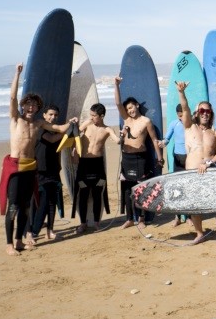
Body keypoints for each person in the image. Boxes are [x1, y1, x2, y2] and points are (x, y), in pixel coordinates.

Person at [2, 64, 75, 256]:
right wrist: (17, 74)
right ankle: (9, 244)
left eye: (34, 105)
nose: (31, 107)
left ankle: (19, 241)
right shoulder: (15, 119)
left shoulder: (38, 123)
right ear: (23, 105)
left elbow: (59, 129)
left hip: (30, 168)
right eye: (28, 104)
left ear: (37, 108)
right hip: (15, 167)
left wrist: (72, 123)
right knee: (13, 206)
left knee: (26, 207)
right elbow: (11, 97)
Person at [175, 81, 216, 245]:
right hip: (192, 172)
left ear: (211, 114)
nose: (205, 113)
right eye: (202, 110)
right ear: (197, 113)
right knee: (195, 205)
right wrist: (181, 92)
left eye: (208, 111)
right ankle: (199, 233)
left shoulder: (215, 133)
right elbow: (185, 108)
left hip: (210, 172)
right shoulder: (189, 127)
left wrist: (207, 162)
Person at [113, 76, 164, 229]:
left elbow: (154, 139)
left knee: (140, 188)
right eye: (128, 109)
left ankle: (141, 218)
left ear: (136, 105)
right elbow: (117, 103)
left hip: (140, 158)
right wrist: (116, 85)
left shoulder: (146, 121)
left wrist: (160, 157)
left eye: (132, 107)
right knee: (128, 190)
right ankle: (129, 218)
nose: (130, 110)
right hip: (127, 157)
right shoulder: (126, 120)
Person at [24, 103, 64, 244]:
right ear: (44, 115)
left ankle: (50, 231)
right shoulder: (39, 127)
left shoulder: (56, 130)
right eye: (50, 114)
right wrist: (68, 129)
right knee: (38, 202)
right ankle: (32, 232)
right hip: (40, 170)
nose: (53, 117)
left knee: (53, 201)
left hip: (53, 169)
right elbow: (52, 139)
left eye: (55, 115)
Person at [72, 103, 114, 234]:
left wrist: (122, 137)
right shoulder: (87, 124)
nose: (91, 118)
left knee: (97, 194)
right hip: (84, 164)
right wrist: (74, 150)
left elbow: (117, 140)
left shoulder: (107, 129)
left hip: (98, 165)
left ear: (101, 116)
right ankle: (83, 223)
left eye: (94, 116)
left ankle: (96, 222)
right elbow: (75, 133)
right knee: (83, 194)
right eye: (90, 115)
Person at [163, 103, 187, 227]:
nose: (182, 117)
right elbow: (167, 138)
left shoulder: (191, 123)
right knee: (177, 187)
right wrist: (163, 143)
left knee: (189, 187)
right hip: (178, 157)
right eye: (180, 114)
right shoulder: (174, 124)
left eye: (184, 114)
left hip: (190, 158)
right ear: (178, 115)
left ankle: (189, 217)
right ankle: (177, 216)